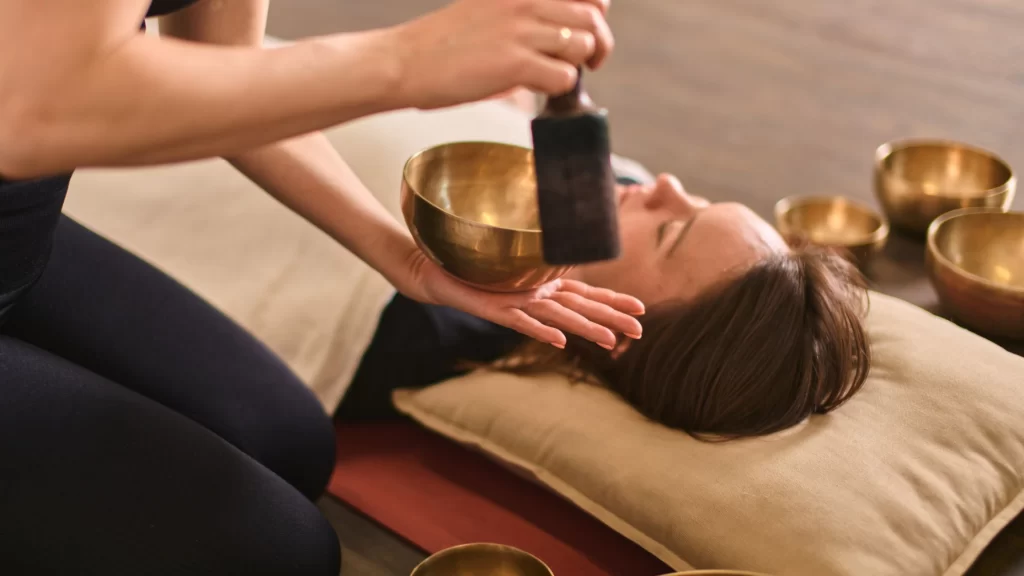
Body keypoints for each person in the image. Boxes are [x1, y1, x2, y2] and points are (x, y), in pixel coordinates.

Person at [0, 1, 644, 575]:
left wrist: (404, 259)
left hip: (20, 235)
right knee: (275, 553)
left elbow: (223, 63)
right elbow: (37, 109)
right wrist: (406, 59)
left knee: (288, 441)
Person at [339, 172, 872, 440]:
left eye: (670, 231)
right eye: (701, 202)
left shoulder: (415, 319)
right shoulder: (606, 185)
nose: (663, 184)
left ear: (615, 331)